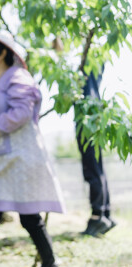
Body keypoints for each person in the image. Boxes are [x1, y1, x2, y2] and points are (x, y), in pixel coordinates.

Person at [0, 30, 65, 267]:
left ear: (2, 54)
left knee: (29, 217)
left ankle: (50, 262)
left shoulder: (18, 76)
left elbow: (21, 113)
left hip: (21, 157)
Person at [76, 67, 117, 237]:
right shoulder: (92, 60)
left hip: (88, 122)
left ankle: (97, 216)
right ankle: (105, 214)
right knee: (96, 167)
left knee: (91, 168)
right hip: (92, 120)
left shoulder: (87, 62)